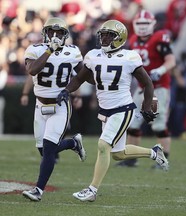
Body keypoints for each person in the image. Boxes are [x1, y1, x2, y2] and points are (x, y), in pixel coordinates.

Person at [56, 19, 169, 202]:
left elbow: (147, 83)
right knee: (118, 154)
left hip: (123, 108)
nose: (105, 38)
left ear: (120, 38)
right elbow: (80, 78)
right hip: (105, 110)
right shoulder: (93, 55)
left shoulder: (129, 57)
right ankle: (154, 152)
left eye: (110, 35)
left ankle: (92, 190)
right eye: (103, 34)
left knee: (103, 146)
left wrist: (147, 106)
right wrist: (66, 90)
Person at [22, 17, 86, 202]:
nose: (55, 36)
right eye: (51, 32)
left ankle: (38, 191)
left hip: (60, 106)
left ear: (65, 35)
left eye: (59, 33)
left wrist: (69, 90)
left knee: (49, 150)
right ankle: (73, 144)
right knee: (44, 150)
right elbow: (32, 70)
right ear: (45, 33)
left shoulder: (72, 52)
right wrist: (50, 50)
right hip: (40, 105)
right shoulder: (35, 49)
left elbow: (82, 75)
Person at [117, 9, 176, 168]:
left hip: (158, 89)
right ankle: (131, 159)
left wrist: (160, 70)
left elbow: (171, 61)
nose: (142, 27)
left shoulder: (159, 38)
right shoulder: (134, 39)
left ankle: (163, 159)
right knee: (132, 124)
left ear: (153, 24)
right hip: (142, 89)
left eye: (146, 23)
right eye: (139, 23)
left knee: (158, 124)